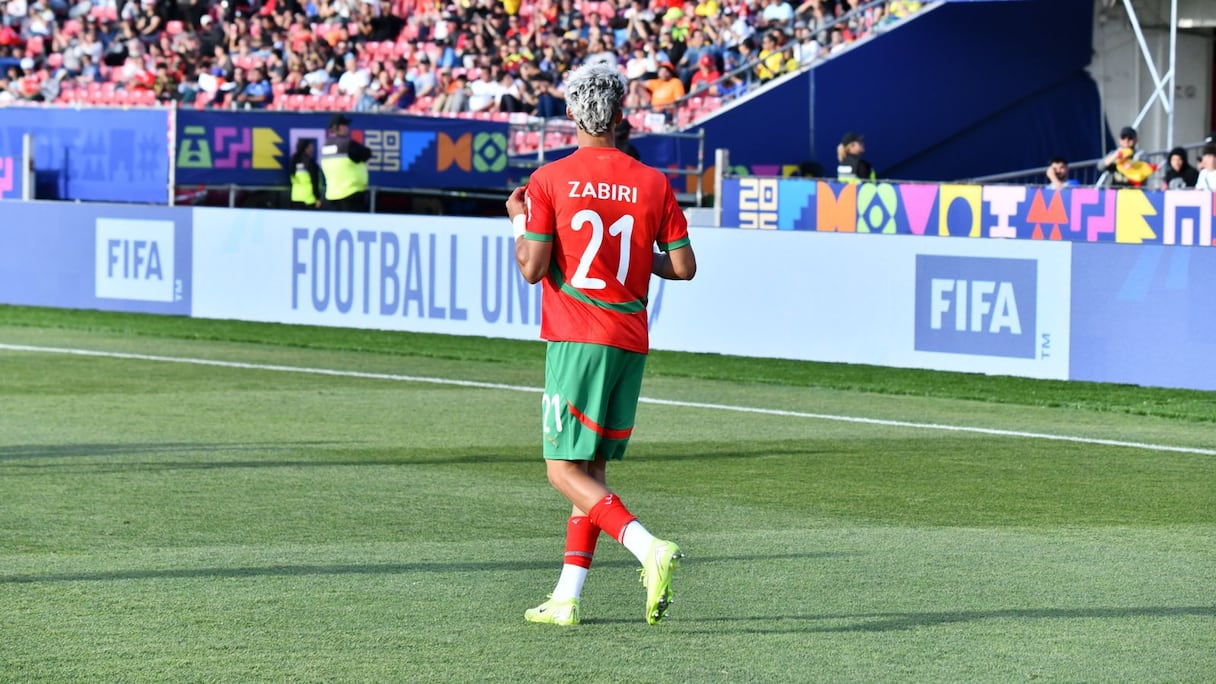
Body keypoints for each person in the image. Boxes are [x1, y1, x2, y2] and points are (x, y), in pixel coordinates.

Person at [505, 63, 696, 627]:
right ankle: (567, 597)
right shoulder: (652, 181)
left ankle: (647, 547)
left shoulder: (549, 179)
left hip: (577, 337)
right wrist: (634, 259)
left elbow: (532, 269)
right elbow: (684, 267)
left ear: (569, 113)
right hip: (629, 339)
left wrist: (517, 221)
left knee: (561, 469)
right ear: (620, 115)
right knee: (590, 473)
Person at [320, 114, 372, 212]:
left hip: (332, 195)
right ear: (340, 127)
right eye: (345, 125)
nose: (347, 128)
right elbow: (367, 153)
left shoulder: (324, 147)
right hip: (351, 194)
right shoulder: (348, 144)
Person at [288, 138, 322, 209]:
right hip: (309, 199)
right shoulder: (310, 162)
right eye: (311, 146)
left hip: (296, 198)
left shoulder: (293, 161)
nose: (312, 148)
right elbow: (315, 181)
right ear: (306, 148)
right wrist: (317, 198)